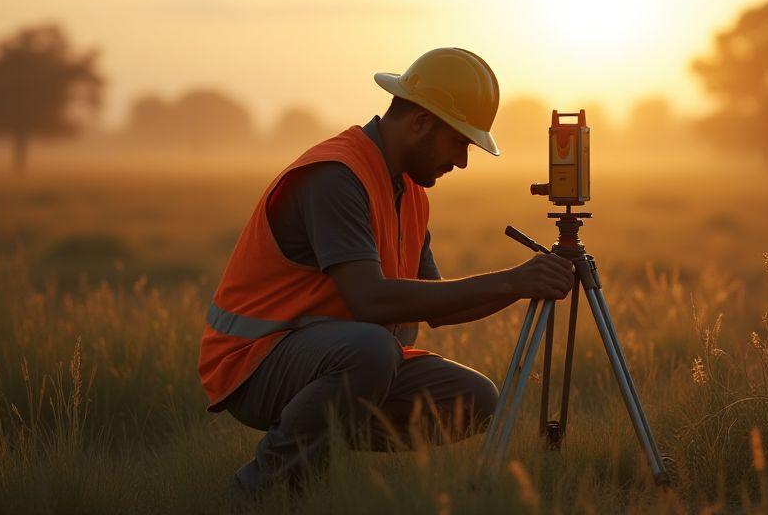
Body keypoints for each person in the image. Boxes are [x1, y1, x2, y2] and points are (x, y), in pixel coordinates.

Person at [196, 47, 574, 498]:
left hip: (338, 357)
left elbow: (440, 307)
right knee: (372, 350)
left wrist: (525, 284)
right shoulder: (336, 175)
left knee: (475, 400)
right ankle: (258, 494)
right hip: (253, 365)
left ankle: (319, 455)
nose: (462, 162)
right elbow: (369, 301)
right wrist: (511, 280)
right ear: (421, 122)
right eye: (459, 143)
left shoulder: (409, 192)